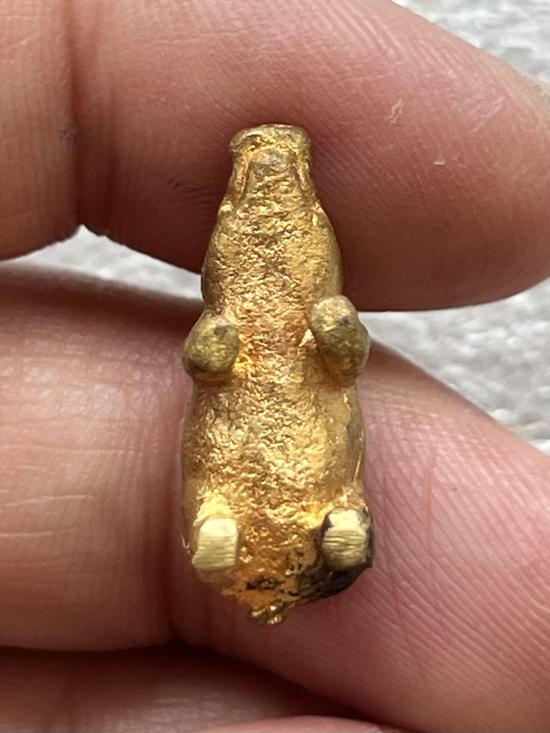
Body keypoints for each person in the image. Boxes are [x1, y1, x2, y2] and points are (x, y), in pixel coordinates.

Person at [0, 1, 549, 731]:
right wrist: (218, 351)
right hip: (247, 424)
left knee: (321, 486)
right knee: (226, 480)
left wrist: (334, 336)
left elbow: (341, 366)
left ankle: (325, 525)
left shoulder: (314, 295)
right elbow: (207, 364)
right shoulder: (230, 304)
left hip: (303, 424)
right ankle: (236, 525)